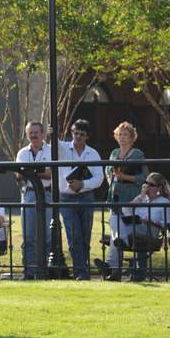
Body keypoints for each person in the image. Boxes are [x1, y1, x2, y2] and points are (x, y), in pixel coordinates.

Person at [95, 172, 170, 281]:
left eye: (151, 185)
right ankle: (118, 247)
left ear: (159, 187)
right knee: (115, 218)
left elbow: (168, 225)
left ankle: (110, 265)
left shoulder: (164, 202)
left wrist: (152, 221)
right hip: (134, 228)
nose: (147, 187)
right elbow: (126, 210)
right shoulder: (142, 199)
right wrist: (141, 196)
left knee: (116, 236)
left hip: (150, 231)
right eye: (145, 183)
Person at [57, 119, 104, 281]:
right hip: (66, 198)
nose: (78, 137)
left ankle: (83, 269)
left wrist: (82, 184)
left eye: (82, 134)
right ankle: (80, 272)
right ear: (71, 133)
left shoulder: (92, 153)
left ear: (87, 137)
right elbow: (51, 141)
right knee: (74, 236)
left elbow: (99, 178)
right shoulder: (62, 148)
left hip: (86, 197)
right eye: (75, 133)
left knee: (85, 236)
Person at [15, 122, 53, 279]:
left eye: (36, 132)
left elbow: (51, 174)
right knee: (28, 236)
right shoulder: (22, 153)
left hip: (47, 193)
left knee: (48, 236)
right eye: (30, 133)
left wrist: (30, 172)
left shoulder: (51, 151)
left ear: (42, 133)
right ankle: (29, 272)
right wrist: (39, 172)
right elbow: (18, 175)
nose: (33, 135)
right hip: (29, 194)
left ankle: (46, 272)